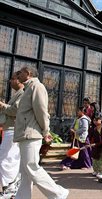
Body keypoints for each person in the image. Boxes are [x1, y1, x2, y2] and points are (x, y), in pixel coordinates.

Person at [14, 66, 69, 199]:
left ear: (28, 73)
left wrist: (46, 131)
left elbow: (41, 111)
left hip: (31, 134)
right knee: (25, 172)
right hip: (25, 134)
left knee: (31, 168)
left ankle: (58, 193)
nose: (18, 75)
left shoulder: (37, 87)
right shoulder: (27, 88)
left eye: (20, 73)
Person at [0, 72, 24, 198]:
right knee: (10, 159)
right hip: (10, 129)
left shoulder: (22, 93)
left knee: (6, 159)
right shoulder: (18, 94)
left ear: (19, 80)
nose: (10, 81)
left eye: (13, 79)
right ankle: (11, 188)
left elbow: (15, 110)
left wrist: (3, 106)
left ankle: (10, 189)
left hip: (13, 129)